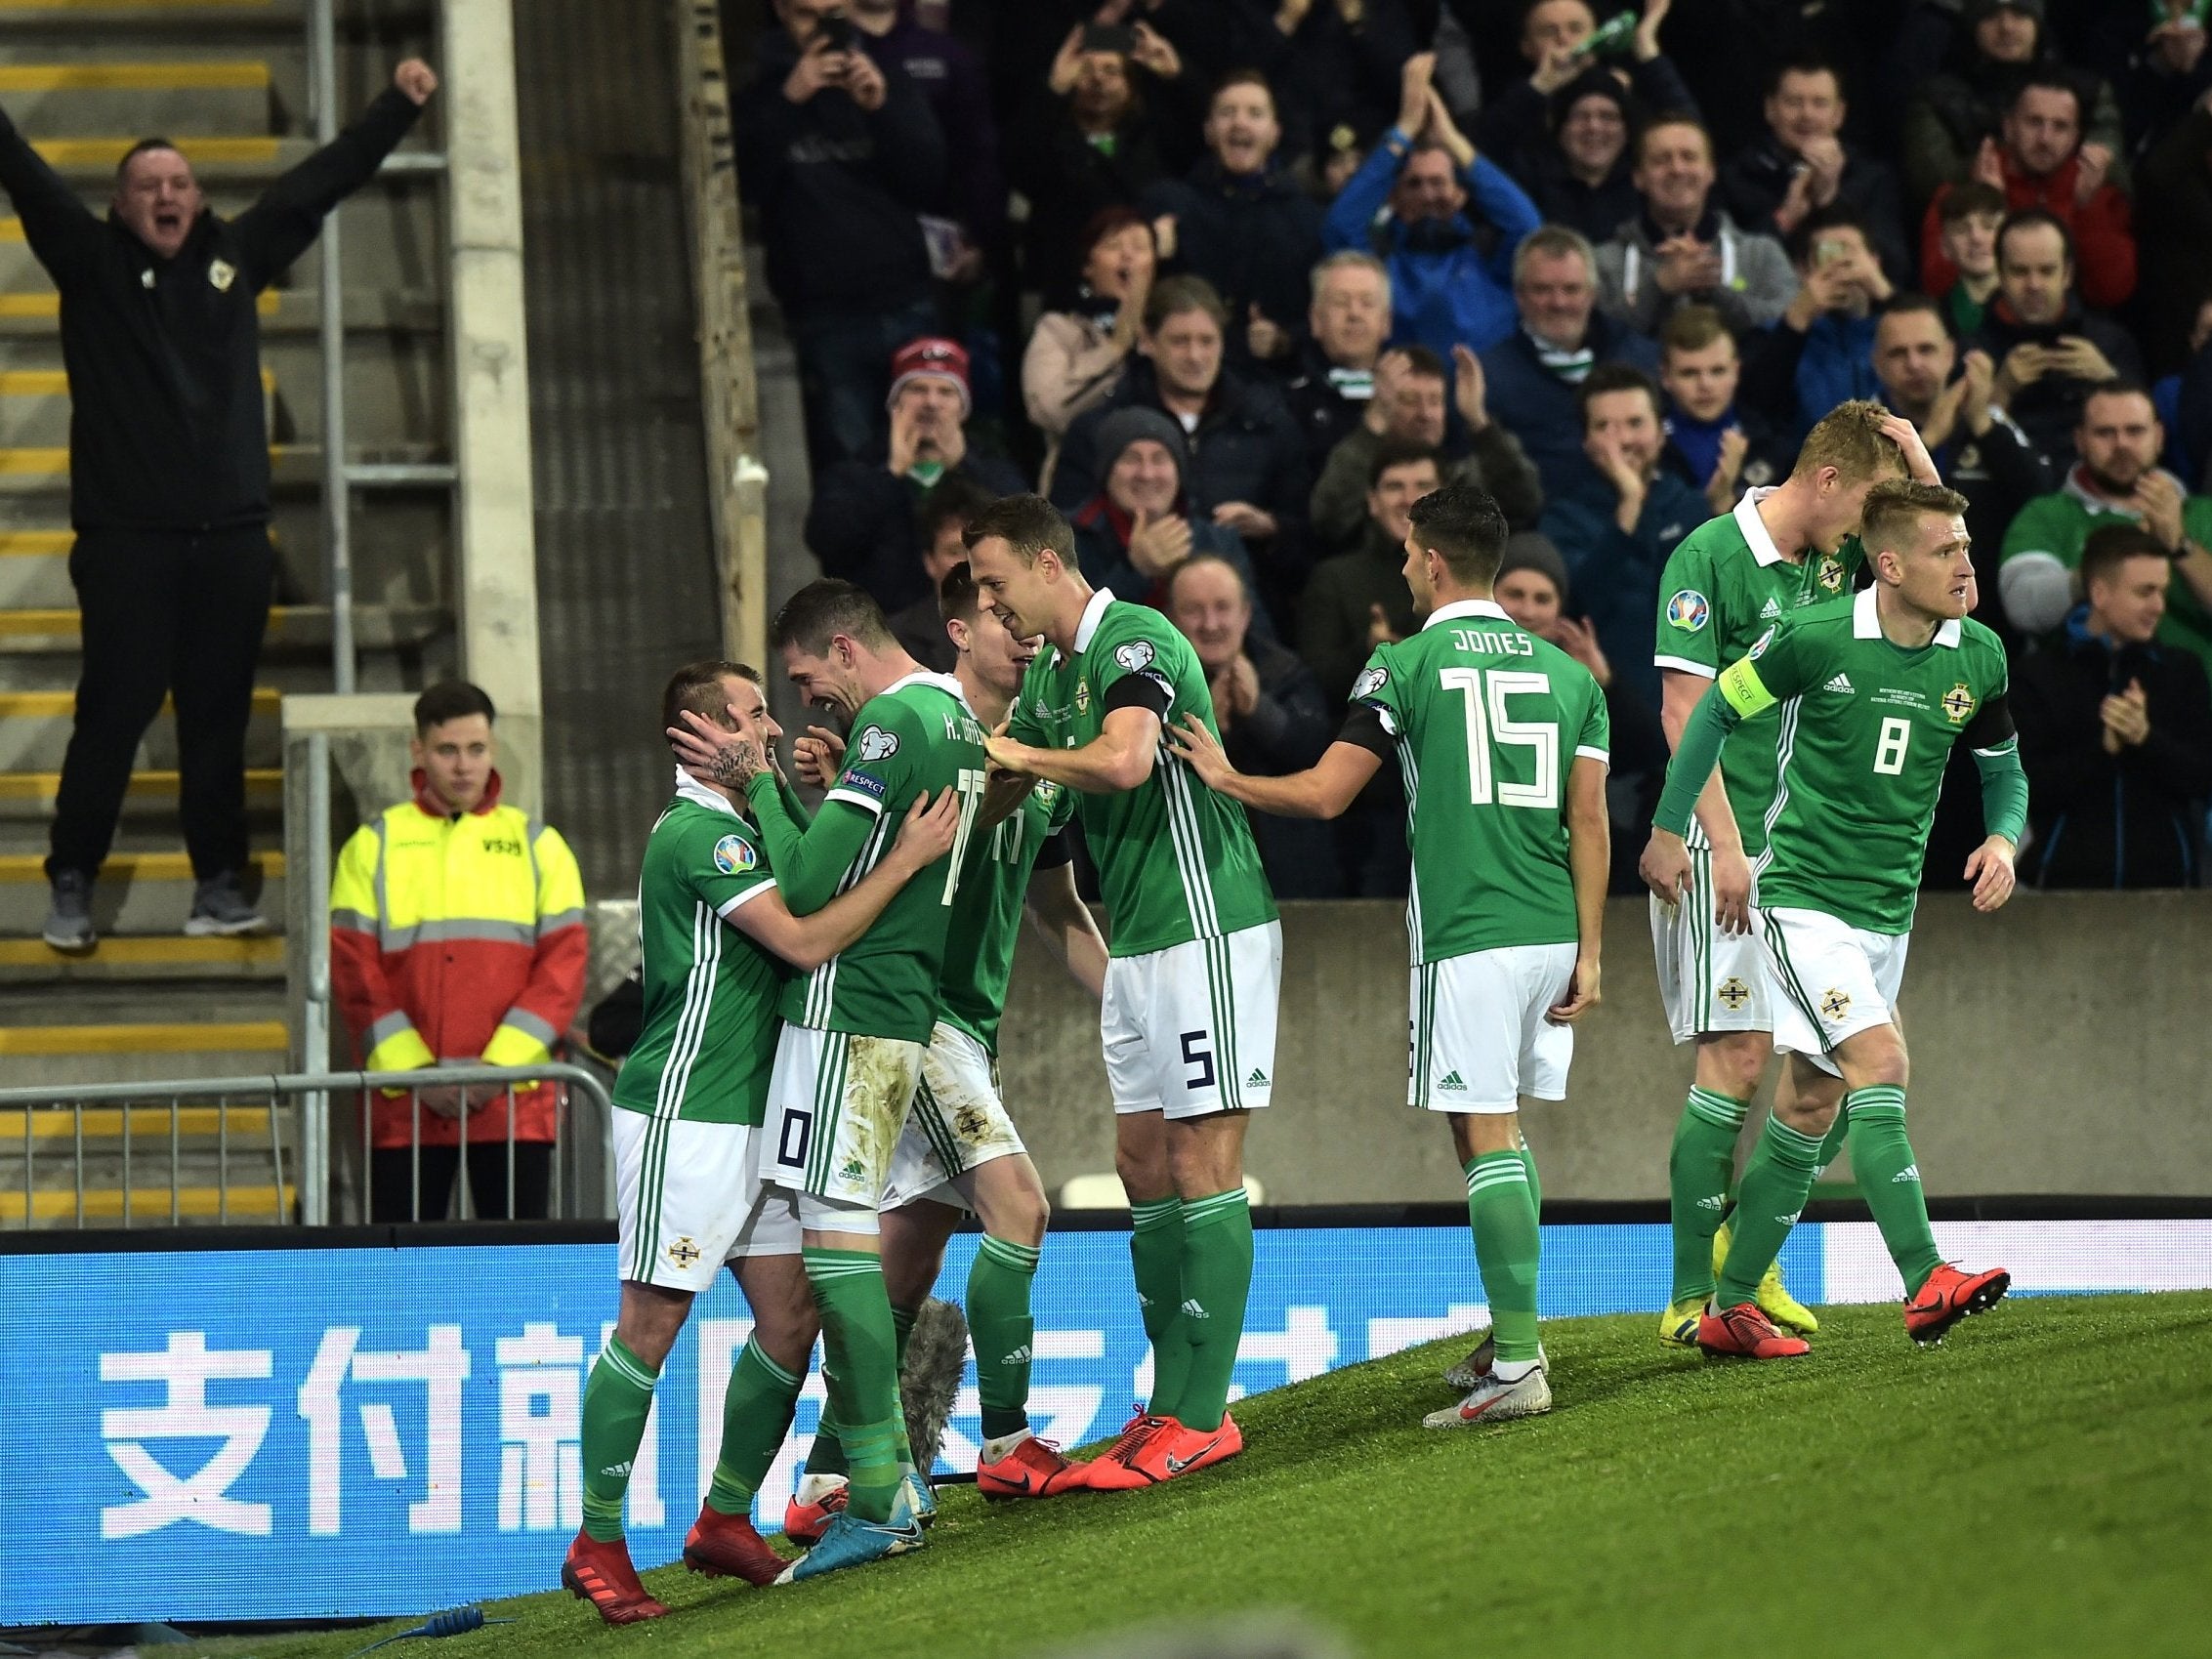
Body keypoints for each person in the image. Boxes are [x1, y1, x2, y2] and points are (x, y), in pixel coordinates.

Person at [1168, 480, 1609, 1428]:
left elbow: (1330, 794)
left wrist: (1227, 774)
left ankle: (1522, 1365)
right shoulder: (1570, 675)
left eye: (1410, 552)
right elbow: (1591, 818)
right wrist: (1595, 950)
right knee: (1490, 1124)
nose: (1404, 566)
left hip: (1471, 930)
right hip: (1551, 932)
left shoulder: (1402, 664)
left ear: (1436, 561)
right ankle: (1512, 1326)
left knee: (1484, 1130)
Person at [4, 61, 437, 953]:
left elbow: (326, 179)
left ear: (197, 199)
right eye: (147, 186)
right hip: (128, 546)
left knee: (216, 720)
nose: (166, 195)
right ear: (121, 206)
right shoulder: (88, 266)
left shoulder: (236, 258)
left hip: (233, 545)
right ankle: (73, 880)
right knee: (113, 715)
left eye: (179, 183)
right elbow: (17, 164)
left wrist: (399, 101)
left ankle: (220, 885)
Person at [562, 660, 958, 1624]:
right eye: (751, 715)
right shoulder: (701, 835)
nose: (772, 727)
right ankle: (597, 1537)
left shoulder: (741, 826)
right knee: (650, 1327)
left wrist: (809, 791)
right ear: (700, 732)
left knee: (790, 1317)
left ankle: (725, 1518)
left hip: (752, 1113)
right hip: (685, 1114)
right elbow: (809, 940)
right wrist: (902, 861)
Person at [1641, 478, 2024, 1356]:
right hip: (1801, 901)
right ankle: (1925, 1276)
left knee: (1812, 1103)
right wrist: (1671, 830)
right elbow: (1706, 716)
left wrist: (2000, 841)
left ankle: (1729, 1308)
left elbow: (2004, 771)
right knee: (1881, 1061)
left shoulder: (1979, 655)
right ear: (1887, 565)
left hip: (1888, 913)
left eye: (1965, 546)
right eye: (1945, 550)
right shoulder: (1813, 638)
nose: (1966, 562)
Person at [779, 565, 1112, 1526]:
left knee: (904, 1263)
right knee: (1019, 1207)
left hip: (970, 1024)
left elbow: (1055, 908)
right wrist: (829, 781)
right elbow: (850, 867)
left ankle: (825, 1478)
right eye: (1002, 619)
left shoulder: (1022, 766)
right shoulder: (923, 730)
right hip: (917, 1021)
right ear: (958, 630)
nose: (1025, 637)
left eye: (1027, 622)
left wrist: (1123, 999)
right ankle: (1006, 1445)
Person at [665, 579, 983, 1582]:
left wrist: (759, 784)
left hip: (848, 1015)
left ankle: (879, 1492)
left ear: (846, 648)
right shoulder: (950, 714)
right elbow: (857, 858)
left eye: (805, 680)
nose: (805, 704)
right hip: (894, 1008)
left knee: (839, 1250)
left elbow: (805, 888)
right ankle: (878, 1486)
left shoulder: (893, 722)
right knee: (840, 1249)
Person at [968, 493, 1282, 1489]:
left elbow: (1129, 758)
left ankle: (1202, 1413)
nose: (991, 605)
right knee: (1141, 1159)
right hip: (1139, 945)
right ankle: (1165, 1401)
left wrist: (1018, 753)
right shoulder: (1054, 680)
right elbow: (1028, 790)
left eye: (995, 582)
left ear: (1048, 568)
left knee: (1202, 1157)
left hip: (1208, 925)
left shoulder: (1133, 638)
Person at [329, 683, 585, 1224]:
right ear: (418, 751)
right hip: (408, 1105)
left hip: (510, 1102)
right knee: (401, 1280)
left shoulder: (539, 846)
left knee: (518, 1274)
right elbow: (354, 973)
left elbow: (562, 972)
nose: (464, 766)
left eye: (477, 749)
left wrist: (494, 1070)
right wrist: (420, 1073)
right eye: (447, 750)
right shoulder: (372, 845)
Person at [736, 1, 946, 469]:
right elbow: (747, 187)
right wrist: (790, 99)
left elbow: (930, 180)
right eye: (808, 17)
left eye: (831, 15)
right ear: (782, 14)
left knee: (930, 458)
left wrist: (882, 108)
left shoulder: (889, 78)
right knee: (855, 466)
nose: (820, 31)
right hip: (825, 317)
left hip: (904, 301)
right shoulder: (760, 95)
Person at [1051, 276, 1311, 608]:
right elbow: (1066, 536)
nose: (1195, 356)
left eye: (1207, 341)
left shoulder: (1268, 421)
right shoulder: (1098, 428)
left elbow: (1306, 535)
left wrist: (1272, 529)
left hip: (1240, 608)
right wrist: (1135, 566)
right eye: (1180, 341)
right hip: (1121, 608)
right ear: (1147, 340)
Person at [2014, 524, 2212, 889]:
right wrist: (2102, 749)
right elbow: (2025, 787)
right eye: (2145, 592)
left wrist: (2145, 738)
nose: (2159, 607)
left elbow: (2201, 778)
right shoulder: (2039, 674)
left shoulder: (2181, 671)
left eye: (2163, 592)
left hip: (2166, 895)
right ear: (2100, 593)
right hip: (2059, 895)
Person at [1321, 53, 1542, 359]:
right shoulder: (1379, 263)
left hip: (1491, 400)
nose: (1428, 194)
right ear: (1392, 197)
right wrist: (1403, 130)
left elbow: (1528, 228)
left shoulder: (1490, 256)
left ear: (1462, 193)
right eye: (1414, 184)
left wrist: (1452, 140)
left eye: (1439, 182)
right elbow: (1340, 226)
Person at [1492, 538, 1671, 890]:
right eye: (1514, 594)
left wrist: (1606, 684)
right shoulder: (1456, 661)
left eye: (1542, 599)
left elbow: (1652, 753)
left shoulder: (1576, 680)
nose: (1527, 611)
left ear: (1560, 611)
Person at [1998, 382, 2212, 674]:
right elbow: (2024, 609)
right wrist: (2107, 567)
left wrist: (2180, 545)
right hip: (2082, 700)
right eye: (2105, 433)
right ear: (2080, 440)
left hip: (2195, 703)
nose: (2121, 444)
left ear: (2159, 437)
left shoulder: (2203, 514)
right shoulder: (2046, 515)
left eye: (2135, 431)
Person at [805, 337, 1026, 613]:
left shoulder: (992, 470)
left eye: (946, 392)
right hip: (879, 629)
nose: (931, 403)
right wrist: (890, 474)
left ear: (963, 407)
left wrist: (964, 466)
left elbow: (1024, 535)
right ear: (894, 402)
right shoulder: (855, 471)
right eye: (918, 389)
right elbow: (827, 540)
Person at [1871, 295, 2050, 634]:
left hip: (1984, 623)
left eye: (1926, 350)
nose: (1914, 364)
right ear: (1877, 362)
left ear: (1951, 354)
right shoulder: (1861, 430)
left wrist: (1982, 421)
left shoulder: (1986, 423)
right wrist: (1930, 438)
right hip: (1889, 626)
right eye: (1899, 353)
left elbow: (2041, 497)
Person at [1165, 555, 1337, 898]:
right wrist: (1207, 726)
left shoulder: (1285, 671)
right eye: (1194, 610)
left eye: (1223, 607)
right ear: (1170, 618)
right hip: (1189, 878)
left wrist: (1260, 711)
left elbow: (1318, 756)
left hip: (1291, 878)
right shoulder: (1154, 683)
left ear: (1246, 614)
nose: (1210, 624)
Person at [1539, 364, 1706, 707]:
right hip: (1602, 712)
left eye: (1635, 423)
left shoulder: (1690, 508)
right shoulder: (1563, 519)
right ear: (1586, 441)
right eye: (1605, 427)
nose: (1624, 440)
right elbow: (1581, 602)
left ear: (1661, 433)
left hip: (1691, 712)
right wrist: (1630, 503)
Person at [1141, 70, 1324, 368]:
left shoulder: (1306, 219)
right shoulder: (1169, 204)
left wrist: (1287, 339)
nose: (1240, 122)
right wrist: (1149, 254)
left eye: (1255, 113)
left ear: (1274, 133)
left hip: (1272, 383)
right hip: (1175, 374)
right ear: (1209, 131)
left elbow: (1324, 311)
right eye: (1228, 112)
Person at [1006, 21, 1197, 305]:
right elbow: (1019, 166)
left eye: (1111, 71)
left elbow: (1203, 143)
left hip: (1145, 286)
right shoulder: (1050, 134)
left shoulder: (1155, 136)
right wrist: (1054, 88)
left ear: (1131, 85)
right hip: (1066, 286)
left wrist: (1178, 76)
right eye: (1087, 70)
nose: (1098, 80)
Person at [1917, 71, 2136, 312]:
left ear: (2075, 137)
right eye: (2034, 122)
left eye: (2060, 127)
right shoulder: (1962, 191)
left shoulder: (2095, 189)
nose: (2045, 139)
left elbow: (2112, 291)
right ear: (2009, 127)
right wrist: (1989, 206)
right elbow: (1937, 285)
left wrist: (2087, 209)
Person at [1480, 225, 1662, 503]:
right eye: (1542, 289)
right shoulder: (1489, 378)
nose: (1558, 302)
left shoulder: (1641, 358)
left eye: (1571, 289)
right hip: (1540, 529)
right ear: (1519, 295)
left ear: (1592, 292)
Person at [1309, 344, 1543, 553]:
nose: (1425, 414)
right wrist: (1373, 426)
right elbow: (1330, 519)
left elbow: (1523, 504)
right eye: (1409, 400)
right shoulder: (1359, 467)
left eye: (1434, 400)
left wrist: (1479, 421)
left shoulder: (1463, 476)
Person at [1899, 0, 2127, 212]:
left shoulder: (2088, 91)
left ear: (2037, 21)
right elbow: (1929, 181)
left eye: (2019, 14)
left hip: (2076, 221)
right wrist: (1993, 166)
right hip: (1975, 225)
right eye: (1990, 16)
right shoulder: (1936, 97)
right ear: (1973, 25)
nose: (2006, 27)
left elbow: (2116, 172)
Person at [1593, 115, 1797, 339]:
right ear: (1639, 177)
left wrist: (1712, 289)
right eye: (1662, 160)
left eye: (1689, 157)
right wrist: (1658, 287)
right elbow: (1594, 339)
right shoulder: (1601, 263)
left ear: (1711, 172)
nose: (1677, 169)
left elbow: (1787, 330)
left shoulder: (1761, 255)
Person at [1971, 209, 2145, 468]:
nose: (2034, 284)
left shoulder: (2110, 342)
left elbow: (2147, 438)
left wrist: (2108, 380)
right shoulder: (1975, 351)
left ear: (2067, 274)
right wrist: (2001, 392)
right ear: (2000, 275)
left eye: (2046, 271)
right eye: (2020, 271)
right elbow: (1961, 452)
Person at [1720, 58, 1911, 284]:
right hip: (1767, 309)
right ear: (1770, 109)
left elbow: (1895, 269)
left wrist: (1828, 201)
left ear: (1839, 114)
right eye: (1793, 102)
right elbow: (1730, 273)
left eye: (1819, 103)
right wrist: (1784, 219)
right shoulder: (1734, 178)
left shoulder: (1872, 178)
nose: (1807, 114)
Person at [1067, 407, 1264, 620]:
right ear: (1106, 472)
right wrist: (1137, 572)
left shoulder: (1217, 541)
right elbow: (1074, 633)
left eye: (1160, 459)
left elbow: (1256, 632)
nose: (1147, 473)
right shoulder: (1068, 540)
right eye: (1132, 459)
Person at [1024, 208, 1157, 493]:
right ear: (1088, 266)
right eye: (1113, 246)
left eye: (1139, 247)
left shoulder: (1172, 333)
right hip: (1080, 487)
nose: (1127, 256)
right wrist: (1115, 348)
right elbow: (1047, 411)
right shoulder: (1058, 330)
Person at [1301, 441, 1440, 703]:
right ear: (1372, 502)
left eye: (1423, 487)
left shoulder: (1466, 575)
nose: (1409, 499)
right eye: (1394, 486)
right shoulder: (1334, 579)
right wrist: (1368, 651)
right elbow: (1311, 681)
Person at [1739, 206, 1891, 441]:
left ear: (1875, 261)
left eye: (1849, 255)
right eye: (1828, 255)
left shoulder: (1897, 330)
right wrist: (1797, 319)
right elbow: (1757, 407)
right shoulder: (1772, 337)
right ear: (1802, 269)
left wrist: (1885, 294)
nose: (1840, 268)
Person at [1655, 306, 1790, 518]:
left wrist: (1728, 503)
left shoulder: (1771, 444)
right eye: (1689, 373)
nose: (1705, 384)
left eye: (1717, 371)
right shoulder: (1644, 447)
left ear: (1736, 371)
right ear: (1665, 376)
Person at [1281, 252, 1395, 475]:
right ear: (1316, 319)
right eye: (1341, 302)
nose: (1354, 313)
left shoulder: (1414, 395)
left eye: (1367, 303)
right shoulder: (1285, 405)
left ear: (1386, 321)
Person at [886, 476, 994, 671]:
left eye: (975, 548)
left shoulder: (1025, 626)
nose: (967, 562)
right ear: (929, 561)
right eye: (954, 551)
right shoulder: (897, 639)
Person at [1929, 178, 2007, 337]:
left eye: (1989, 226)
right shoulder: (1933, 319)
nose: (1976, 238)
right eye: (1961, 230)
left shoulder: (2036, 309)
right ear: (1944, 246)